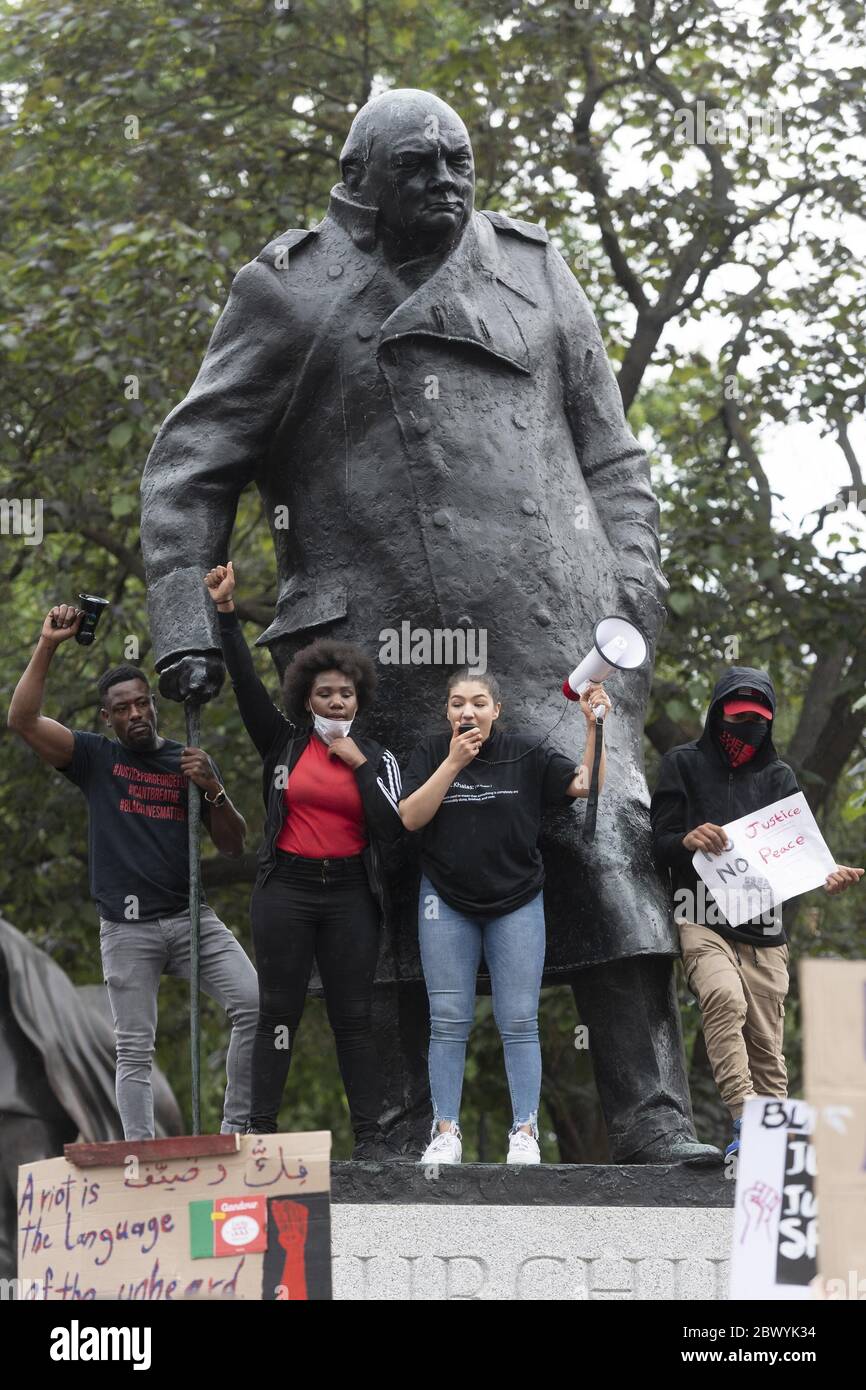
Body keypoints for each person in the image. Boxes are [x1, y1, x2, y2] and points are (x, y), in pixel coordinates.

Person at [139, 87, 717, 1165]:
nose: (448, 182)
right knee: (390, 874)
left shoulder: (536, 269)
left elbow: (613, 457)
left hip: (552, 630)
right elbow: (187, 470)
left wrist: (632, 587)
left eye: (459, 160)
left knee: (603, 837)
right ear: (358, 181)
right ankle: (401, 1131)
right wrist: (182, 621)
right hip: (371, 640)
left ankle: (650, 1113)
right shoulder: (287, 291)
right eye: (419, 165)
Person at [7, 604, 258, 1140]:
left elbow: (235, 847)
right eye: (123, 708)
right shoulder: (95, 759)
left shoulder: (188, 762)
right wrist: (48, 643)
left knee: (253, 1002)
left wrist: (212, 786)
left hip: (190, 920)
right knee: (134, 1048)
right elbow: (22, 721)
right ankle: (140, 1151)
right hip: (127, 929)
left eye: (143, 703)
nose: (137, 714)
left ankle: (236, 1127)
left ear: (155, 706)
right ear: (108, 717)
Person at [204, 562, 403, 1159]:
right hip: (286, 889)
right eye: (324, 693)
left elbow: (391, 830)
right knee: (278, 1012)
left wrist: (356, 762)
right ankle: (260, 1129)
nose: (336, 700)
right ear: (306, 698)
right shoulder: (284, 743)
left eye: (345, 693)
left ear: (358, 698)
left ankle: (371, 1139)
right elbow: (244, 685)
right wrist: (226, 615)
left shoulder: (377, 755)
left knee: (353, 1018)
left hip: (349, 895)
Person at [398, 667, 612, 1165]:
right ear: (446, 712)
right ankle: (445, 1131)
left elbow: (588, 784)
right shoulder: (432, 752)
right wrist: (453, 763)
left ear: (498, 709)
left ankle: (525, 1131)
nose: (466, 711)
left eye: (477, 702)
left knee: (518, 1019)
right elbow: (409, 817)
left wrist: (594, 726)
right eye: (456, 703)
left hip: (517, 900)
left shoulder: (527, 751)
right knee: (448, 1019)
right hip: (445, 901)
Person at [650, 666, 863, 1157]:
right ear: (717, 711)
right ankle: (746, 1119)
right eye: (739, 715)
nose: (749, 726)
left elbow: (800, 854)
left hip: (765, 929)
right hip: (700, 917)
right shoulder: (681, 764)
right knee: (724, 999)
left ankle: (774, 1148)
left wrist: (825, 874)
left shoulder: (779, 776)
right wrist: (686, 838)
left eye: (760, 718)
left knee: (768, 1050)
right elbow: (656, 845)